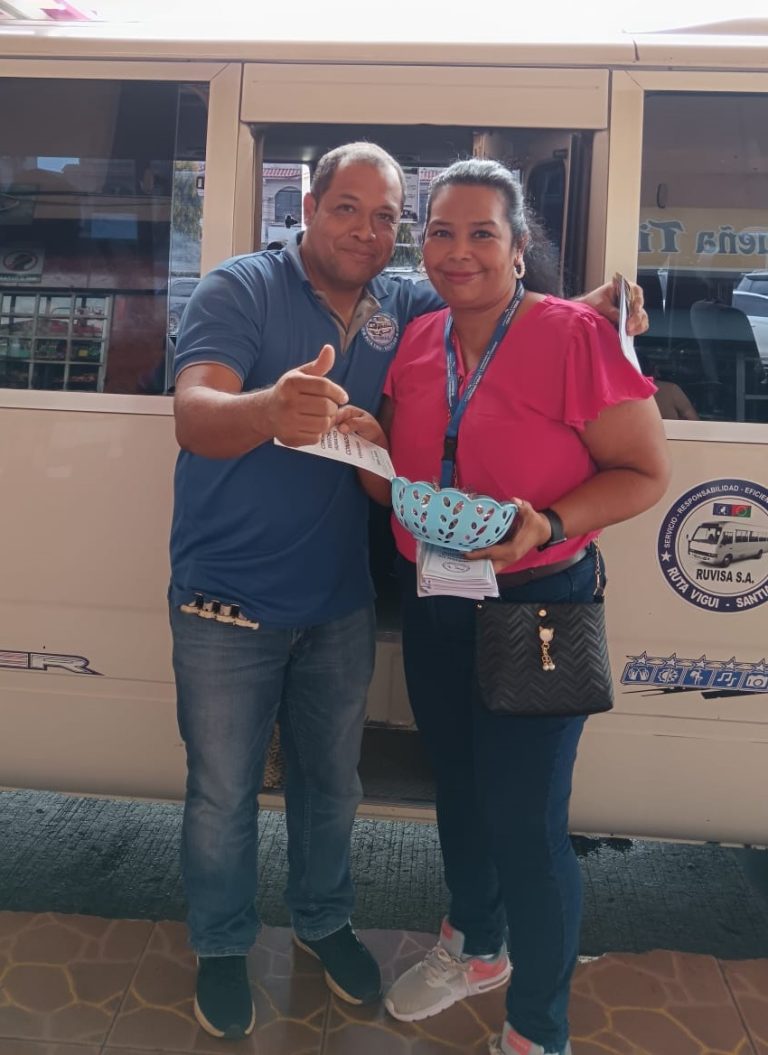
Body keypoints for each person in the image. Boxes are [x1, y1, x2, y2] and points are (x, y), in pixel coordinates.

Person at [169, 141, 649, 1042]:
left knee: (349, 790)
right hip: (236, 599)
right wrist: (273, 409)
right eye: (348, 208)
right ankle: (228, 945)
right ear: (307, 208)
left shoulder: (407, 303)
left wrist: (596, 311)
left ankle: (343, 932)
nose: (369, 230)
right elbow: (193, 414)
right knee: (227, 790)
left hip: (371, 601)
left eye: (387, 216)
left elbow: (505, 312)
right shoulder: (246, 288)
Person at [341, 159, 670, 1055]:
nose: (459, 251)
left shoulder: (575, 336)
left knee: (527, 822)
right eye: (441, 232)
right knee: (458, 786)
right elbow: (394, 482)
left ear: (520, 248)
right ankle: (478, 945)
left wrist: (549, 524)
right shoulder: (418, 339)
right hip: (438, 599)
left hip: (540, 606)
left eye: (482, 233)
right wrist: (366, 448)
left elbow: (645, 472)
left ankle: (537, 1030)